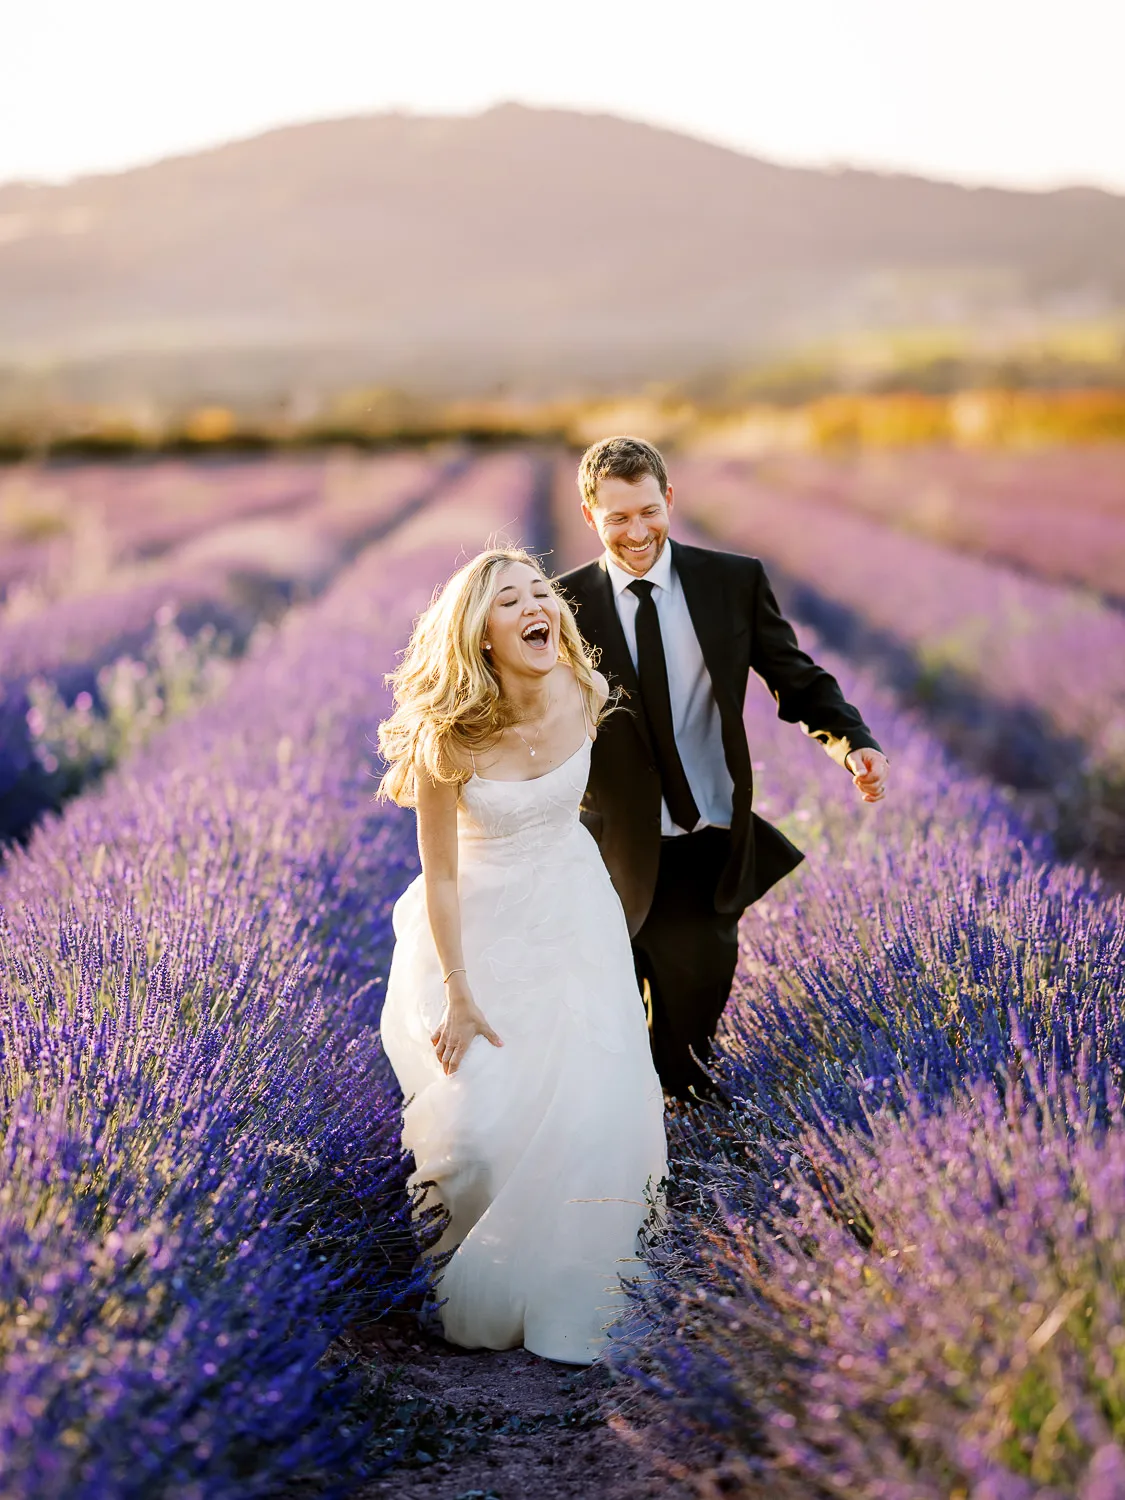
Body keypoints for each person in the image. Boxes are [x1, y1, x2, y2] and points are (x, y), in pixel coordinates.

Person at [376, 547, 667, 1365]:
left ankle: (580, 1291)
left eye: (541, 592)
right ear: (480, 634)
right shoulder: (447, 738)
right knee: (479, 1127)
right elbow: (439, 881)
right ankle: (492, 1283)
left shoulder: (585, 688)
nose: (538, 605)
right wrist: (460, 994)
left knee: (595, 1099)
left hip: (574, 914)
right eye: (512, 600)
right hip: (477, 931)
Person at [561, 436, 889, 1103]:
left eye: (647, 511)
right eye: (617, 517)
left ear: (669, 500)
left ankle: (679, 1158)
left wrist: (849, 739)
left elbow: (794, 678)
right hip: (602, 849)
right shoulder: (560, 604)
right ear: (588, 516)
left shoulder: (730, 582)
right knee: (605, 1035)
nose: (636, 531)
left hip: (704, 845)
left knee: (686, 1043)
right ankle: (626, 1167)